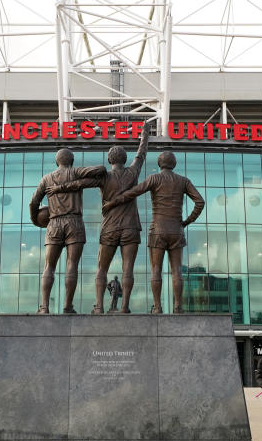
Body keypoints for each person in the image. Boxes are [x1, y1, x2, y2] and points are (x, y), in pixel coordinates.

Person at [45, 121, 151, 313]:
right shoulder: (133, 172)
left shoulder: (103, 177)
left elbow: (79, 184)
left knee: (102, 269)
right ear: (124, 159)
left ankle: (99, 306)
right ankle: (125, 307)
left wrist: (58, 188)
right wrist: (145, 135)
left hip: (109, 227)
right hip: (130, 227)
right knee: (128, 269)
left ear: (110, 160)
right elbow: (141, 154)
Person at [101, 152, 205, 313]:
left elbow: (132, 193)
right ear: (174, 164)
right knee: (177, 270)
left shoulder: (154, 179)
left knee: (156, 270)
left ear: (159, 164)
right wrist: (186, 221)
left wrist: (112, 203)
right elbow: (200, 202)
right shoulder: (183, 181)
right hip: (176, 229)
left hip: (158, 230)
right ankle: (178, 307)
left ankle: (157, 307)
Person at [28, 149, 105, 313]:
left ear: (57, 162)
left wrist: (36, 221)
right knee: (72, 265)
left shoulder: (46, 179)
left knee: (49, 266)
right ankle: (68, 306)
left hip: (54, 223)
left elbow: (33, 203)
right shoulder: (76, 172)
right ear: (71, 161)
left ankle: (44, 307)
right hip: (74, 222)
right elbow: (101, 169)